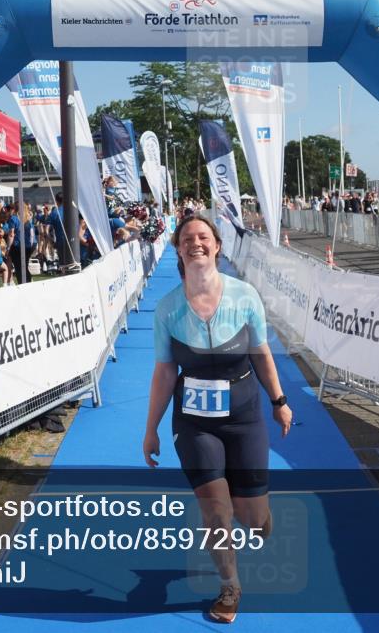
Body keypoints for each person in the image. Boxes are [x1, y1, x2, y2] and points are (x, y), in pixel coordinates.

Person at [143, 215, 292, 623]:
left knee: (251, 517)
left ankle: (259, 512)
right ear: (178, 249)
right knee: (214, 509)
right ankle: (229, 586)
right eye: (188, 238)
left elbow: (261, 354)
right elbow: (164, 372)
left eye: (203, 237)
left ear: (217, 246)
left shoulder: (245, 297)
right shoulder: (168, 308)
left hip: (243, 417)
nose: (196, 243)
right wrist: (151, 429)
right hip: (193, 423)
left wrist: (279, 400)